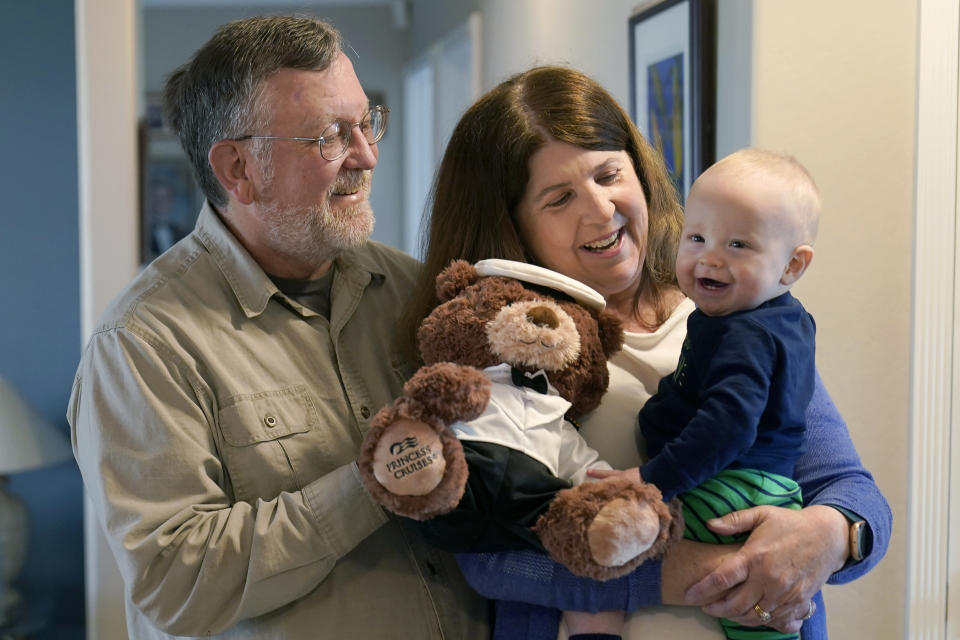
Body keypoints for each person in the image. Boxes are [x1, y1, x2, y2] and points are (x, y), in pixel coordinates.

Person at [406, 66, 891, 640]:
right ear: (511, 230)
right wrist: (703, 573)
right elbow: (485, 555)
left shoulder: (736, 314)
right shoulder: (505, 345)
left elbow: (856, 494)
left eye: (610, 174)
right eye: (560, 198)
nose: (601, 209)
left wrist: (829, 536)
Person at [67, 16, 488, 639]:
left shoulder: (415, 291)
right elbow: (175, 584)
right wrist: (373, 481)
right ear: (239, 168)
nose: (367, 155)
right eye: (329, 138)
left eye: (366, 122)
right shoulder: (142, 344)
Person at [624, 148, 822, 640]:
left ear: (792, 266)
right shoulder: (778, 318)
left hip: (732, 486)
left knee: (744, 597)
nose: (709, 257)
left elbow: (728, 426)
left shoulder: (745, 333)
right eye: (697, 237)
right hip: (760, 483)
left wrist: (651, 483)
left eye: (738, 244)